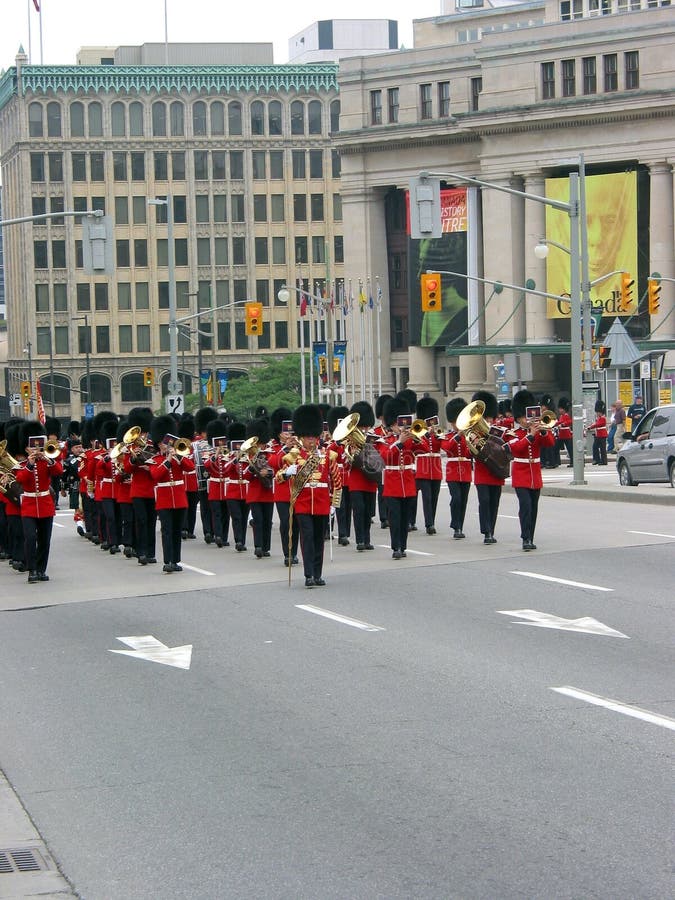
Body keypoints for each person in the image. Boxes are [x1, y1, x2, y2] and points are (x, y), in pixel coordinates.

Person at [279, 403, 341, 588]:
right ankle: (308, 575)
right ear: (302, 437)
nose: (311, 441)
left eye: (314, 437)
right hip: (303, 502)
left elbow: (337, 481)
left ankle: (318, 573)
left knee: (318, 540)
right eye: (307, 437)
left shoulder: (327, 455)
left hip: (322, 502)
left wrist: (333, 504)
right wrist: (288, 472)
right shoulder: (293, 456)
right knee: (307, 537)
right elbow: (279, 478)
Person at [15, 421, 64, 583]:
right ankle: (32, 569)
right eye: (32, 446)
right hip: (29, 505)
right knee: (30, 537)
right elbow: (20, 479)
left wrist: (48, 459)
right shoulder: (22, 465)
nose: (35, 449)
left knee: (44, 539)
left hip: (45, 504)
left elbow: (58, 471)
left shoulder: (46, 461)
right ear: (26, 448)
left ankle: (41, 569)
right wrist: (30, 463)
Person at [376, 397, 424, 560]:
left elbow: (423, 449)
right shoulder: (384, 441)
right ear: (391, 424)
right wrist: (399, 442)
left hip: (409, 483)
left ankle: (403, 546)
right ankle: (395, 546)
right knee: (395, 518)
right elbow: (386, 457)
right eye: (398, 424)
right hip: (392, 484)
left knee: (405, 519)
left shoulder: (410, 438)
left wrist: (417, 436)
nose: (401, 427)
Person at [508, 390, 555, 551]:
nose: (525, 420)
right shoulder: (513, 433)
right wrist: (530, 435)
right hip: (520, 474)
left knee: (534, 507)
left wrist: (542, 430)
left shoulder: (536, 430)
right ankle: (525, 537)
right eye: (523, 417)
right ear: (518, 417)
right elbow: (517, 448)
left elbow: (549, 443)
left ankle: (531, 536)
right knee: (526, 506)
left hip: (535, 474)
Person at [148, 415, 195, 573]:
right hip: (164, 498)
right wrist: (168, 460)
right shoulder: (155, 459)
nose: (165, 445)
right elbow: (155, 475)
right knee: (166, 530)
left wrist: (178, 456)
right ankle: (167, 560)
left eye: (166, 442)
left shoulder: (179, 456)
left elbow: (190, 468)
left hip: (179, 497)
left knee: (176, 530)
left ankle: (175, 560)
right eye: (162, 443)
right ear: (158, 444)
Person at [471, 390, 505, 544]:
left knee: (494, 502)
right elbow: (468, 452)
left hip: (496, 470)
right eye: (486, 417)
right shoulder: (473, 431)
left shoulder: (500, 429)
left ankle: (491, 529)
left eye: (489, 417)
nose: (488, 420)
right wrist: (475, 443)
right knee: (484, 500)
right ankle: (487, 532)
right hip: (482, 471)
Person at [345, 400, 379, 552]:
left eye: (366, 426)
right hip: (357, 480)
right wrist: (351, 455)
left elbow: (379, 459)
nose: (364, 429)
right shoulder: (348, 440)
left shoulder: (374, 439)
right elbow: (344, 462)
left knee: (368, 512)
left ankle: (367, 539)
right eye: (362, 426)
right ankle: (360, 539)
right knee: (359, 510)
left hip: (370, 480)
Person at [440, 398, 472, 539]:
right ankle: (455, 525)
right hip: (453, 470)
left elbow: (471, 452)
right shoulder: (448, 436)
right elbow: (447, 448)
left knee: (463, 500)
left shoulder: (468, 435)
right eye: (453, 422)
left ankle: (460, 527)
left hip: (465, 468)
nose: (455, 425)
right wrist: (458, 436)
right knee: (456, 498)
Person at [415, 396, 443, 534]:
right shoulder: (418, 430)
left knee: (435, 496)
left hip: (436, 467)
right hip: (423, 468)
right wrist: (427, 434)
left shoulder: (437, 431)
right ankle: (429, 524)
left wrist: (437, 435)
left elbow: (442, 446)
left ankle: (432, 519)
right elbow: (419, 446)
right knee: (427, 497)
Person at [587, 400, 608, 465]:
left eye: (598, 412)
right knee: (595, 447)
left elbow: (598, 425)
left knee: (602, 449)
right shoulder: (599, 418)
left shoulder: (603, 418)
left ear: (601, 412)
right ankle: (597, 459)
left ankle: (604, 461)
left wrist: (590, 427)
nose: (597, 413)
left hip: (602, 435)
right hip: (598, 435)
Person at [556, 397, 574, 467]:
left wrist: (562, 424)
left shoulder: (566, 416)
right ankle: (556, 462)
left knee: (570, 450)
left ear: (564, 409)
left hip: (566, 435)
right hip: (561, 435)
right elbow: (559, 422)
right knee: (555, 448)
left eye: (560, 409)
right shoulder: (561, 416)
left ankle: (572, 462)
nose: (559, 410)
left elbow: (569, 422)